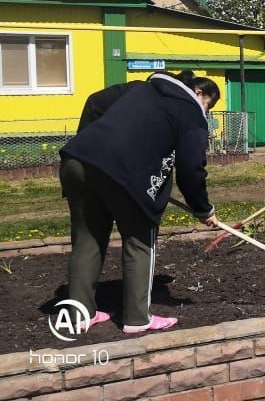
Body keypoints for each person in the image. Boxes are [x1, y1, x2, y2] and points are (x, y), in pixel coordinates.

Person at [60, 71, 219, 334]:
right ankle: (136, 319)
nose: (207, 112)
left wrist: (91, 148)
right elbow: (191, 168)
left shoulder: (138, 89)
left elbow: (94, 102)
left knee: (87, 239)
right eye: (208, 106)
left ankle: (80, 315)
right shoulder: (191, 112)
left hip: (77, 161)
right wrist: (203, 209)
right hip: (126, 173)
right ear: (198, 93)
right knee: (140, 241)